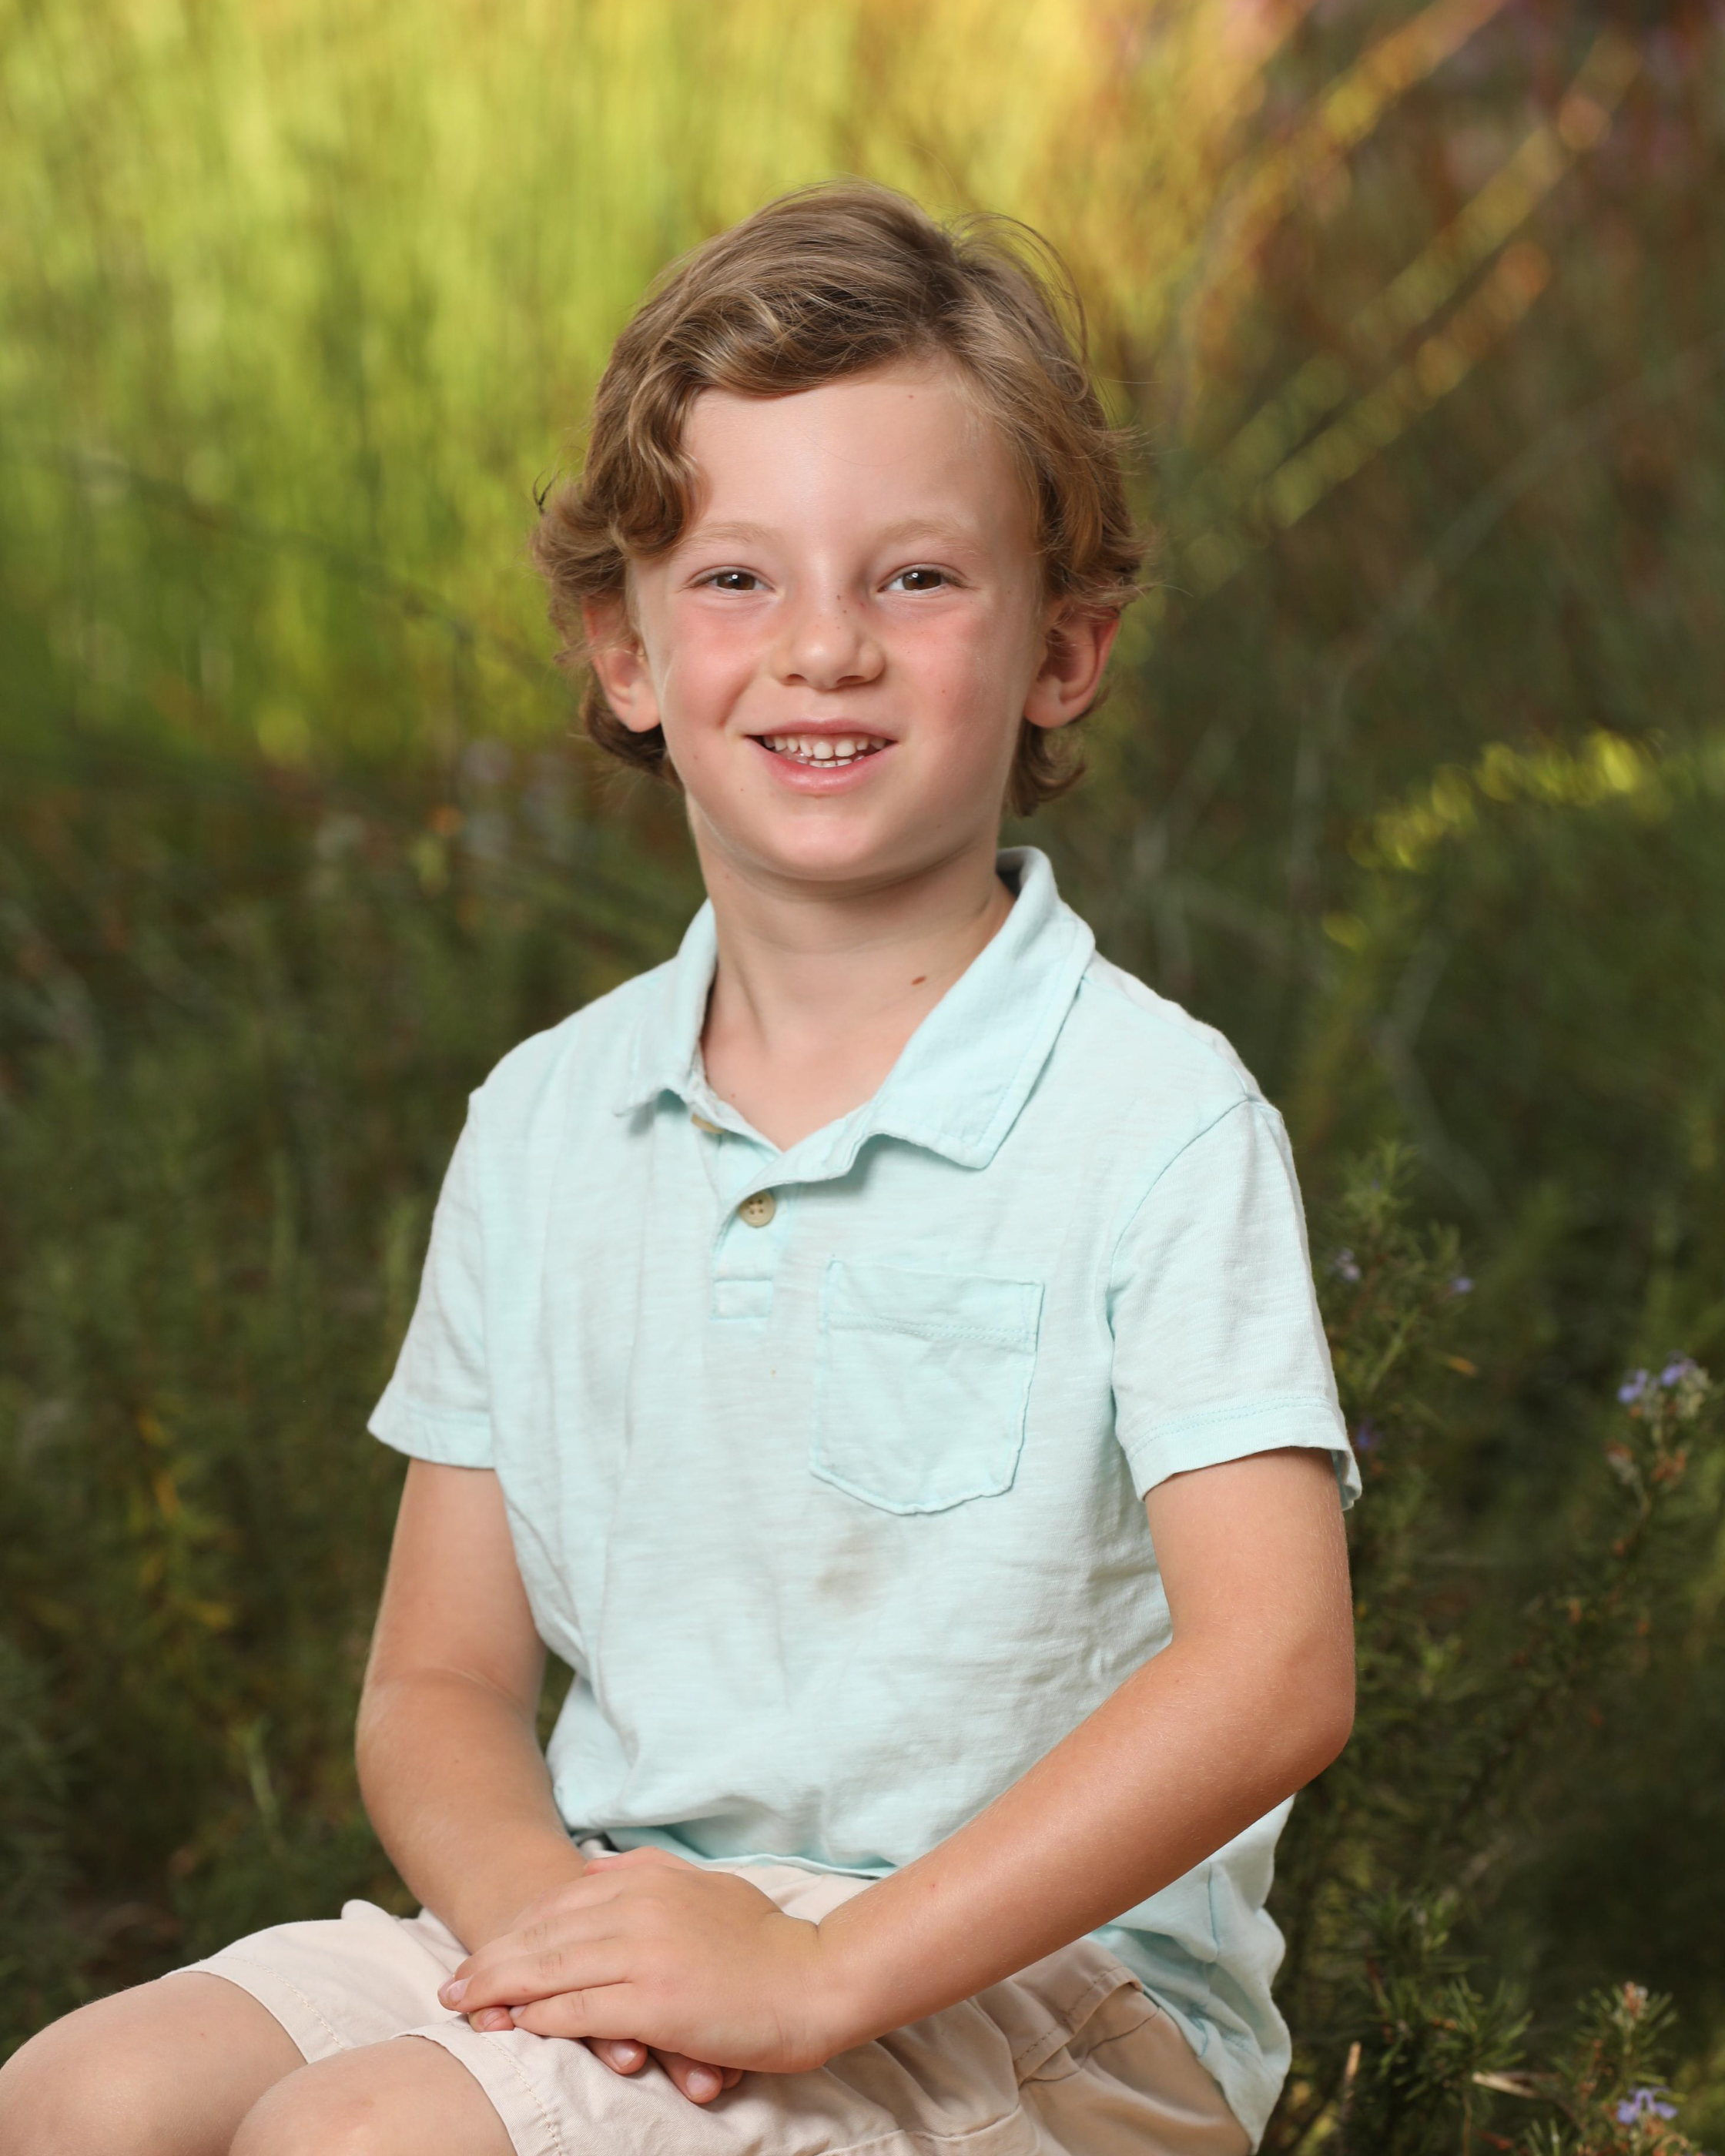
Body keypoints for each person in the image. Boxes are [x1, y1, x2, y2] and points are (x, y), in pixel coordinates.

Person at [0, 181, 1358, 2156]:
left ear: (1063, 650)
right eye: (735, 578)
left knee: (366, 2138)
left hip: (1040, 1993)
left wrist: (811, 1974)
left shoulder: (1151, 1115)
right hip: (627, 1894)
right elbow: (439, 1682)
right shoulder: (547, 1118)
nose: (824, 647)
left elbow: (1276, 1670)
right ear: (620, 648)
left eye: (916, 577)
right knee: (78, 2098)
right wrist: (569, 1954)